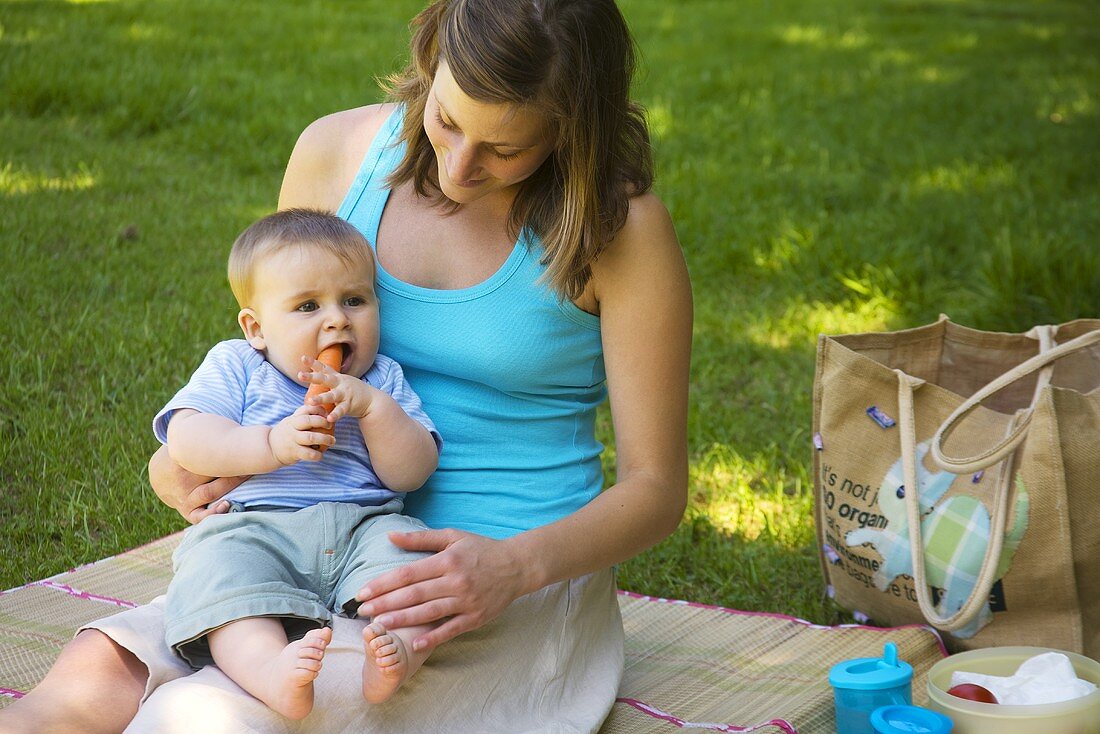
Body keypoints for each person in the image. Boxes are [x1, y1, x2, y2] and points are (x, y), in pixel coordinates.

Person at [0, 0, 692, 731]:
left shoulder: (620, 231)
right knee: (89, 683)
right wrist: (191, 465)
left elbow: (656, 488)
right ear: (432, 58)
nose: (461, 166)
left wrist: (515, 568)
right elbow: (269, 362)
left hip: (490, 586)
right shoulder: (336, 153)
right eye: (450, 121)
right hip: (291, 546)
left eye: (507, 148)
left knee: (198, 717)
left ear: (571, 128)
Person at [156, 209, 444, 719]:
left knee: (418, 573)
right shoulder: (238, 365)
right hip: (257, 527)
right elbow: (187, 438)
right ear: (256, 327)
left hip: (365, 527)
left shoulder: (382, 379)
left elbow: (413, 471)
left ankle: (397, 651)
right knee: (216, 572)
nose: (337, 319)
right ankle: (269, 669)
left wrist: (374, 409)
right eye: (308, 306)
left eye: (355, 300)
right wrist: (270, 444)